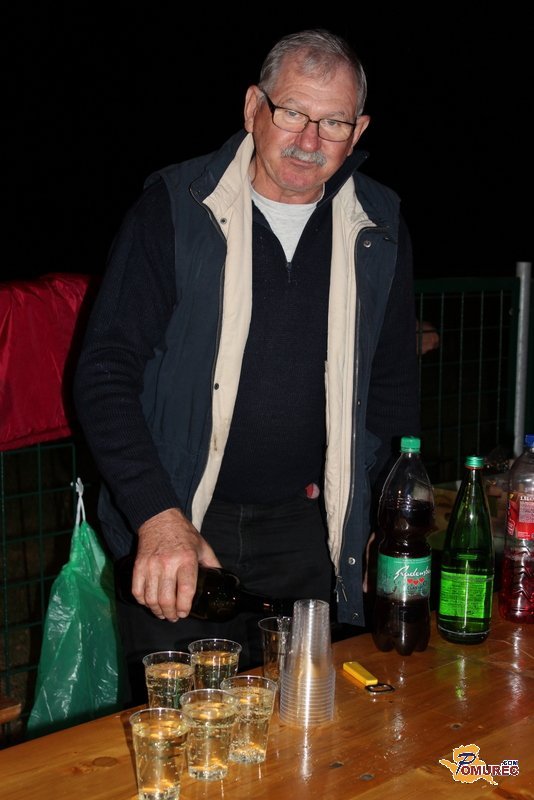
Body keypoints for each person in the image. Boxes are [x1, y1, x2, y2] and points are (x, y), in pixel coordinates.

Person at [73, 28, 421, 704]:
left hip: (311, 530)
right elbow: (104, 371)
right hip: (182, 520)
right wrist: (156, 514)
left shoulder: (379, 223)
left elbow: (392, 386)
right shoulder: (175, 207)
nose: (309, 140)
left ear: (358, 130)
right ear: (253, 107)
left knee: (303, 719)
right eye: (292, 112)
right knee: (179, 718)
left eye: (333, 122)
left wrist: (383, 517)